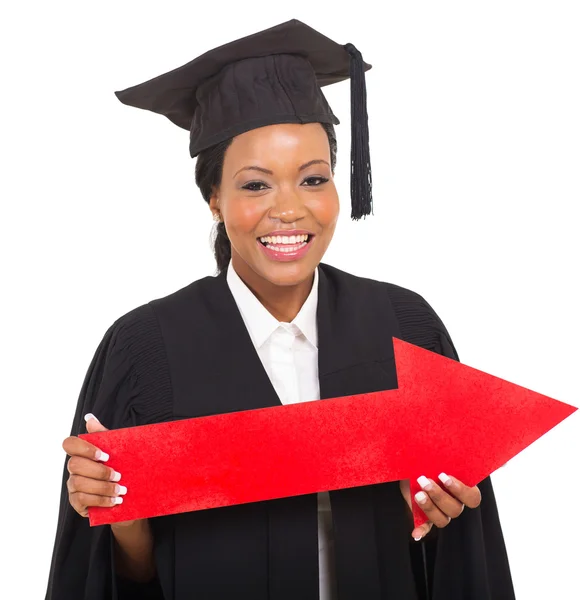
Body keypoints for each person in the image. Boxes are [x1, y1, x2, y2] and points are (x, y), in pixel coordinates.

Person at [45, 19, 515, 600]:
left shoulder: (404, 328)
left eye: (313, 179)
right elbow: (130, 577)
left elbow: (461, 561)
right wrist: (120, 516)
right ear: (213, 197)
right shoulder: (147, 350)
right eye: (256, 185)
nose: (289, 209)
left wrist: (442, 513)